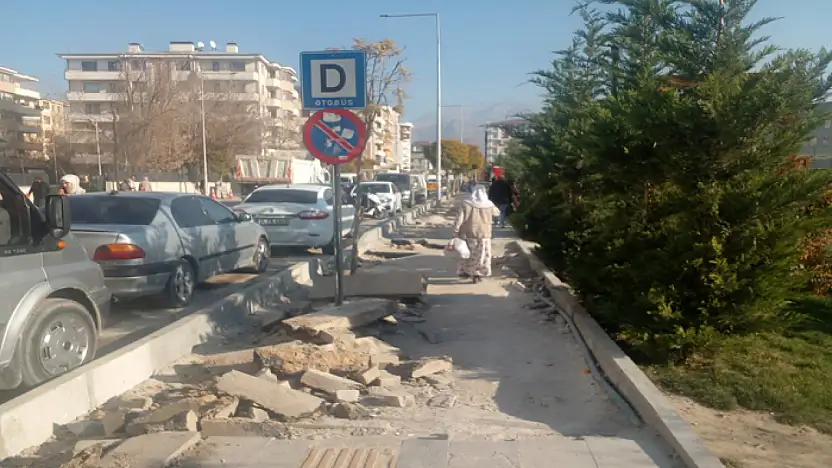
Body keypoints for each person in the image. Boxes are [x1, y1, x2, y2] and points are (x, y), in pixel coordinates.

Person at [453, 184, 501, 283]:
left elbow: (459, 219)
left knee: (467, 254)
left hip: (468, 234)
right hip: (484, 234)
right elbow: (497, 213)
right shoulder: (489, 204)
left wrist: (456, 231)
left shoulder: (466, 204)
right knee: (481, 255)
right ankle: (477, 274)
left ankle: (466, 272)